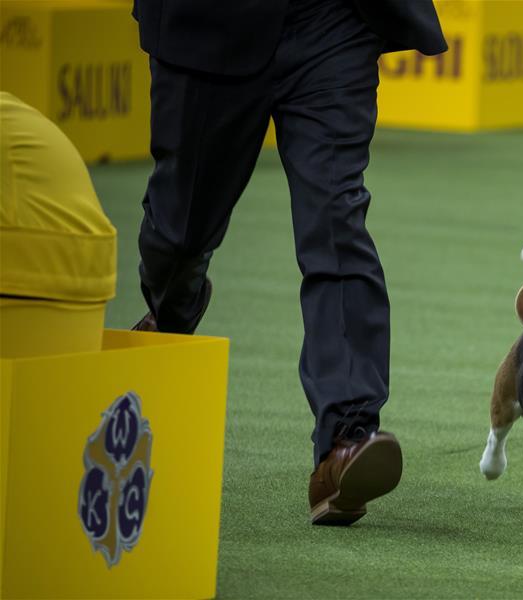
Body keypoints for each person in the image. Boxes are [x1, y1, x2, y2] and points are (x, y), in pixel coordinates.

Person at [130, 0, 446, 525]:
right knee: (179, 233)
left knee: (336, 221)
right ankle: (173, 308)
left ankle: (346, 442)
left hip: (335, 21)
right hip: (208, 26)